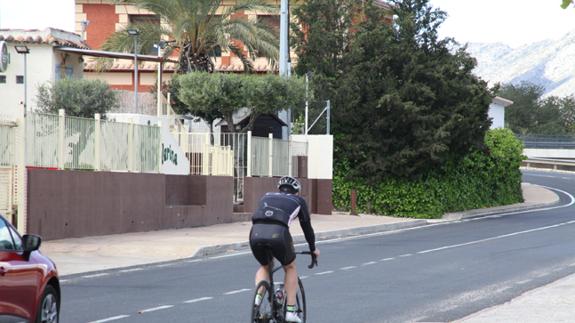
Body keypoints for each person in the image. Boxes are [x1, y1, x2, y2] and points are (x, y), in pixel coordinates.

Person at [249, 176, 320, 323]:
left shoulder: (266, 196)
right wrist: (313, 249)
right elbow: (307, 228)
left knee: (265, 265)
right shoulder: (299, 201)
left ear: (279, 189)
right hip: (278, 233)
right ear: (297, 192)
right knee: (290, 266)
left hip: (255, 232)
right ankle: (291, 311)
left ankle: (256, 302)